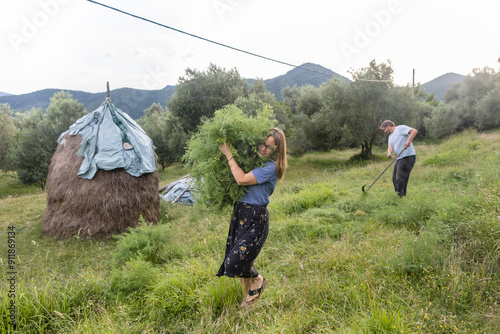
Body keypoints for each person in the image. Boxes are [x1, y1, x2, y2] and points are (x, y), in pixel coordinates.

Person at [216, 128, 287, 306]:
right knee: (243, 262)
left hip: (256, 217)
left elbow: (241, 179)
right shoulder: (255, 161)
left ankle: (258, 279)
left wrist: (228, 154)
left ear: (277, 151)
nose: (263, 149)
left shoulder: (271, 167)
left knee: (234, 262)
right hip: (241, 212)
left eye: (269, 147)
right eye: (262, 144)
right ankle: (248, 303)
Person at [380, 120, 418, 197]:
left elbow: (414, 131)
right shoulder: (390, 136)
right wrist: (389, 152)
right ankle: (398, 193)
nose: (384, 131)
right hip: (399, 158)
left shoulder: (400, 128)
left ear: (388, 125)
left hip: (408, 156)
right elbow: (390, 146)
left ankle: (401, 195)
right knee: (395, 177)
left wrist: (408, 141)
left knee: (401, 176)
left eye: (384, 129)